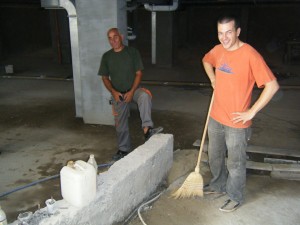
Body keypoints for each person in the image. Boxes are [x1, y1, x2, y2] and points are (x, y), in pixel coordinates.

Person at [202, 15, 279, 212]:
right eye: (220, 33)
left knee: (235, 163)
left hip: (237, 122)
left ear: (237, 32)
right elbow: (206, 60)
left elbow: (272, 86)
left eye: (229, 32)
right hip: (216, 115)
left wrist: (251, 112)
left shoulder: (250, 55)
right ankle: (218, 184)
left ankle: (235, 196)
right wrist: (213, 79)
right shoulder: (218, 50)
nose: (224, 37)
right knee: (215, 156)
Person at [98, 28, 163, 161]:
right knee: (120, 123)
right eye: (110, 38)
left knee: (144, 96)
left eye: (115, 37)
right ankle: (123, 149)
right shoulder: (107, 56)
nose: (113, 40)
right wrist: (114, 92)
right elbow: (104, 77)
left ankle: (147, 129)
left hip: (133, 90)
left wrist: (132, 91)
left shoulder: (132, 52)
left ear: (121, 37)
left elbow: (139, 73)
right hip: (118, 94)